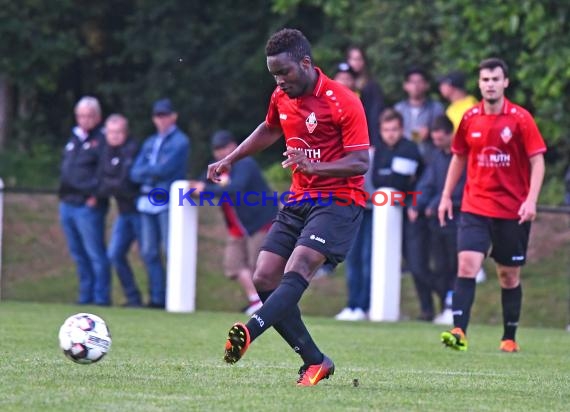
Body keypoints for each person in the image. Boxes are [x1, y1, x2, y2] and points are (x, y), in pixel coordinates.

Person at [208, 28, 369, 386]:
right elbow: (269, 129)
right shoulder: (281, 96)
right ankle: (315, 361)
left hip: (338, 201)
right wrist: (230, 159)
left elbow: (360, 162)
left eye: (285, 73)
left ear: (306, 63)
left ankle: (250, 330)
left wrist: (317, 167)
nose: (280, 81)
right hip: (299, 199)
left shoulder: (343, 101)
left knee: (299, 265)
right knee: (263, 276)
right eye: (274, 76)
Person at [439, 58, 546, 352]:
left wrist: (531, 200)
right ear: (479, 83)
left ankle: (509, 337)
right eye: (485, 79)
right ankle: (459, 330)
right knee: (467, 264)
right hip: (475, 206)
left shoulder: (521, 119)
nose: (490, 84)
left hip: (512, 211)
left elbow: (537, 161)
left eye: (495, 79)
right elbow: (459, 156)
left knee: (508, 275)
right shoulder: (470, 117)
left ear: (505, 82)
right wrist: (447, 195)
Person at [189, 130, 277, 315]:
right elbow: (200, 180)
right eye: (217, 149)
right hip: (237, 226)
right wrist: (195, 186)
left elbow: (235, 189)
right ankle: (256, 300)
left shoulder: (245, 163)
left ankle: (270, 305)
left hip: (261, 222)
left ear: (234, 146)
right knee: (233, 265)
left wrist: (205, 190)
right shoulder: (219, 167)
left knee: (258, 267)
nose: (221, 153)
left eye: (224, 148)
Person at [371, 108, 430, 320]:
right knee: (407, 261)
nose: (390, 134)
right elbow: (378, 181)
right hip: (390, 213)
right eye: (386, 130)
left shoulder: (409, 148)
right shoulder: (380, 149)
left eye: (394, 129)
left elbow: (397, 183)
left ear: (402, 129)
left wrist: (392, 185)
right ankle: (427, 309)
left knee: (417, 263)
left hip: (414, 212)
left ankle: (432, 307)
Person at [130, 98, 190, 308]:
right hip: (146, 200)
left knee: (170, 249)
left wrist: (147, 171)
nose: (161, 120)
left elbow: (164, 170)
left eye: (164, 115)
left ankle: (173, 297)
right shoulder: (150, 141)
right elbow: (133, 172)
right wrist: (150, 172)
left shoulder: (180, 141)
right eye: (157, 116)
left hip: (165, 200)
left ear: (173, 116)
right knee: (148, 251)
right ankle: (157, 297)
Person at [410, 115, 465, 325]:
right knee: (440, 267)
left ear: (450, 134)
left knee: (454, 266)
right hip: (436, 223)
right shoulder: (436, 156)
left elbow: (460, 188)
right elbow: (427, 183)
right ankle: (445, 307)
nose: (437, 143)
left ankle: (454, 308)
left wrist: (434, 204)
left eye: (441, 139)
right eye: (434, 139)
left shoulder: (462, 157)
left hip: (456, 219)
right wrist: (417, 204)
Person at [59, 96, 111, 306]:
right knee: (78, 253)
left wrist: (96, 195)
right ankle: (85, 296)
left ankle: (100, 298)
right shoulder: (74, 138)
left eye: (89, 116)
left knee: (94, 253)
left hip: (87, 204)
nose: (84, 120)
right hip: (67, 203)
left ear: (97, 117)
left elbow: (105, 171)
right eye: (81, 116)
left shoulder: (103, 140)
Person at [97, 114, 143, 307]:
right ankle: (133, 298)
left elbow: (125, 182)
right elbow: (102, 180)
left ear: (125, 132)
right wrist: (112, 183)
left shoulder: (132, 149)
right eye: (111, 132)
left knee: (149, 255)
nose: (114, 136)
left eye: (118, 132)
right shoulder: (105, 151)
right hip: (124, 213)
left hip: (140, 211)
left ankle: (160, 299)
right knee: (114, 254)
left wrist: (111, 183)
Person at [394, 66, 445, 162]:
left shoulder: (436, 108)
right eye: (412, 82)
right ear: (406, 86)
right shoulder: (398, 109)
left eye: (419, 82)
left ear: (427, 85)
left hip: (429, 159)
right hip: (403, 159)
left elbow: (444, 134)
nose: (416, 86)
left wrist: (430, 133)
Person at [346, 46, 385, 147]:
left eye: (359, 59)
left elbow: (375, 115)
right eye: (353, 59)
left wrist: (373, 142)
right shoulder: (341, 83)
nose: (356, 62)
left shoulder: (371, 86)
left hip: (366, 136)